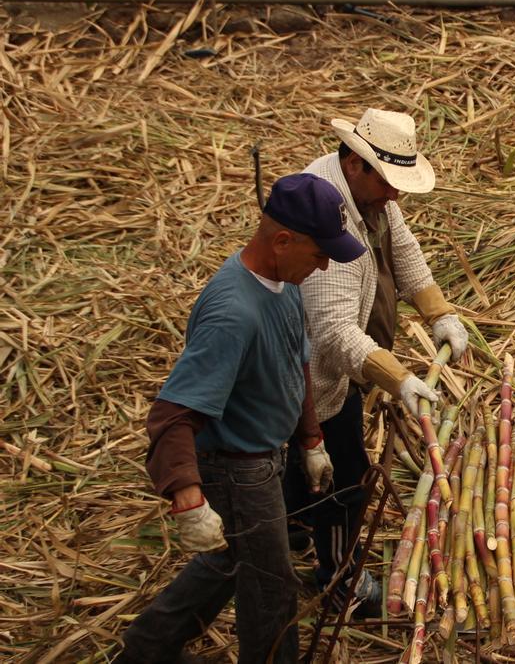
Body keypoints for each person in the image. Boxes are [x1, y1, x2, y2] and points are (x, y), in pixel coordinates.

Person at [115, 174, 367, 664]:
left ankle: (147, 649)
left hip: (267, 458)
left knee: (228, 563)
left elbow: (298, 364)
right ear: (281, 240)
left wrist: (311, 440)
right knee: (271, 590)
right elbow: (172, 413)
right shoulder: (233, 312)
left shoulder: (284, 283)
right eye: (319, 254)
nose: (322, 268)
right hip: (237, 468)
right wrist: (188, 498)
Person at [284, 108, 469, 617]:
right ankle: (337, 577)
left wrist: (438, 312)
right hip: (314, 378)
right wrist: (399, 377)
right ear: (355, 163)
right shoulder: (327, 211)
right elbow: (333, 332)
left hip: (337, 367)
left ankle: (294, 530)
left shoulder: (374, 195)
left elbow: (404, 250)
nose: (396, 194)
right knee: (346, 478)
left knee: (301, 466)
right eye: (388, 183)